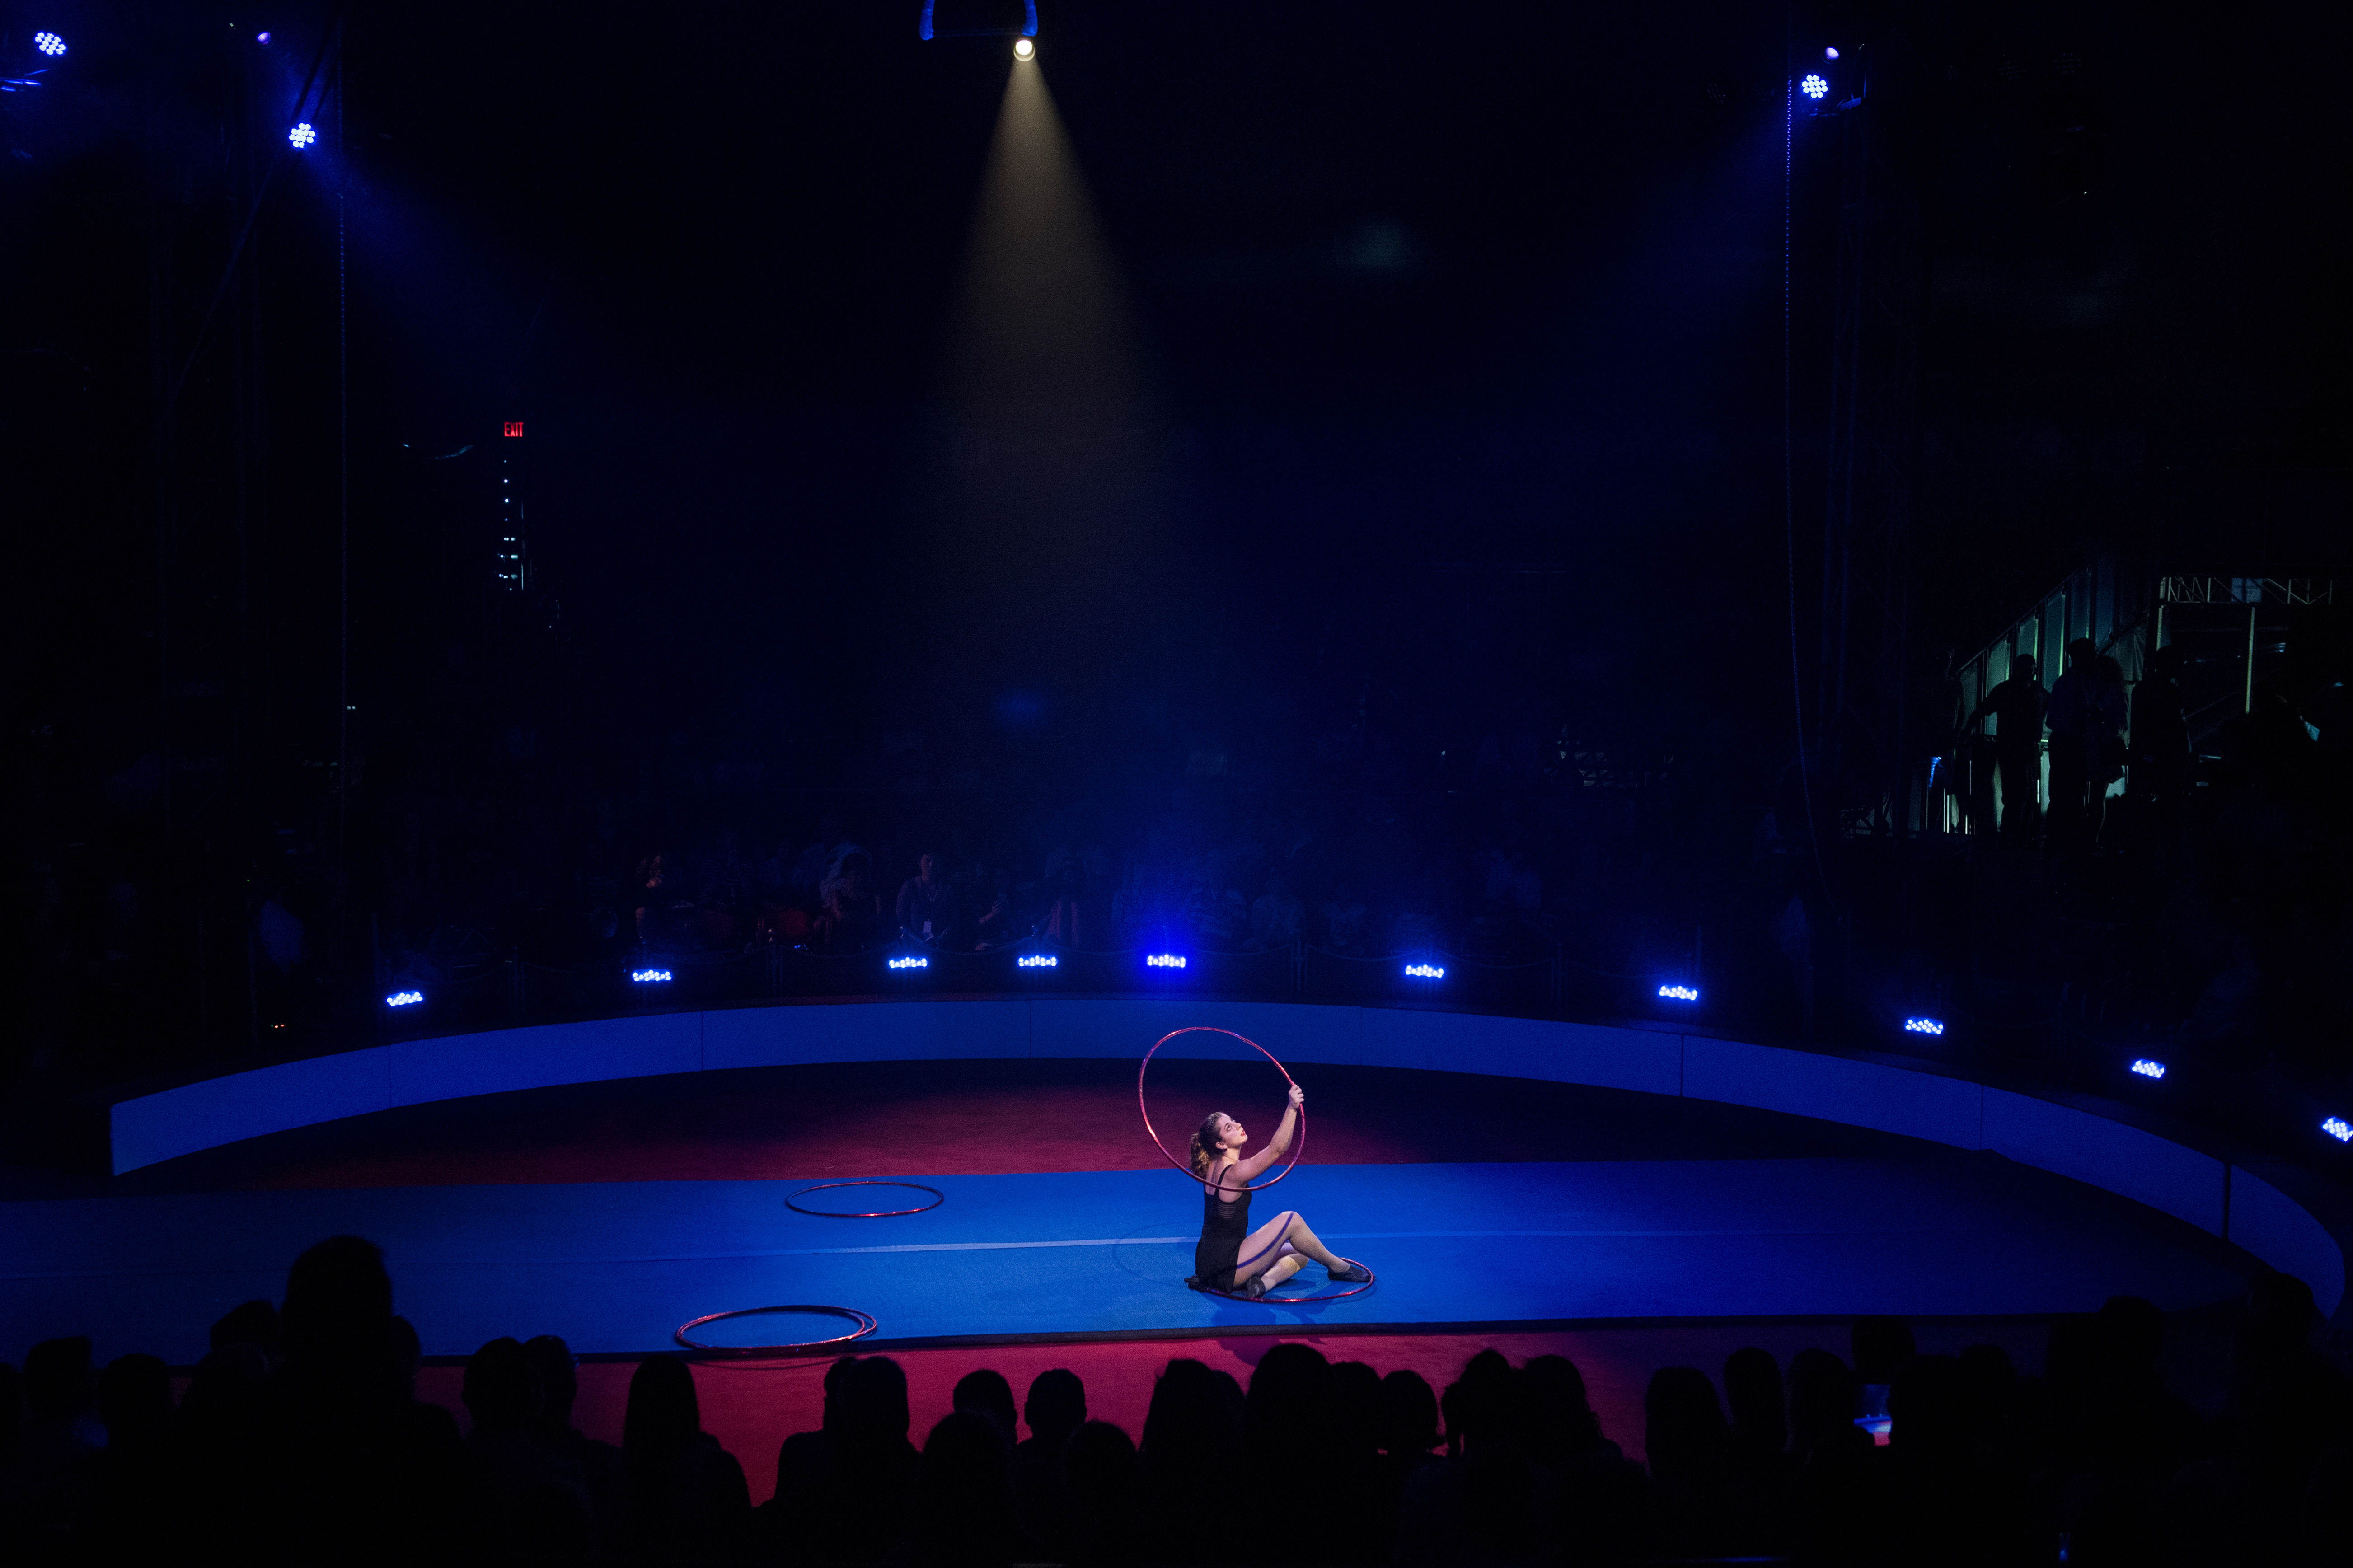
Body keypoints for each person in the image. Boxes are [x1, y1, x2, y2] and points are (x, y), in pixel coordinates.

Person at [1187, 1084, 1370, 1298]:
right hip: (1227, 1269)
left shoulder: (1210, 1165)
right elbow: (1277, 1150)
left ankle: (1265, 1283)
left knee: (1304, 1252)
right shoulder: (1232, 1173)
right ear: (1220, 1144)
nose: (1238, 1125)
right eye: (1229, 1128)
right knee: (1291, 1220)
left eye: (1233, 1121)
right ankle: (1339, 1268)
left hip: (1209, 1263)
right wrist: (1292, 1107)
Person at [1968, 653, 2045, 840]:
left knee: (2016, 793)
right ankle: (2017, 835)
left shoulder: (2006, 690)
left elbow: (1981, 710)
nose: (2032, 672)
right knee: (2023, 793)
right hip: (2023, 749)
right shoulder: (2036, 691)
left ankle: (2012, 835)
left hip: (2012, 748)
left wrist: (1966, 730)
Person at [895, 852, 960, 947]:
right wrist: (916, 939)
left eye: (935, 861)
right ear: (919, 863)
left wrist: (940, 940)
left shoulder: (947, 889)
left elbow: (954, 919)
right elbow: (901, 918)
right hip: (914, 942)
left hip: (942, 942)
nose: (931, 865)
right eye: (927, 861)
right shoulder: (910, 887)